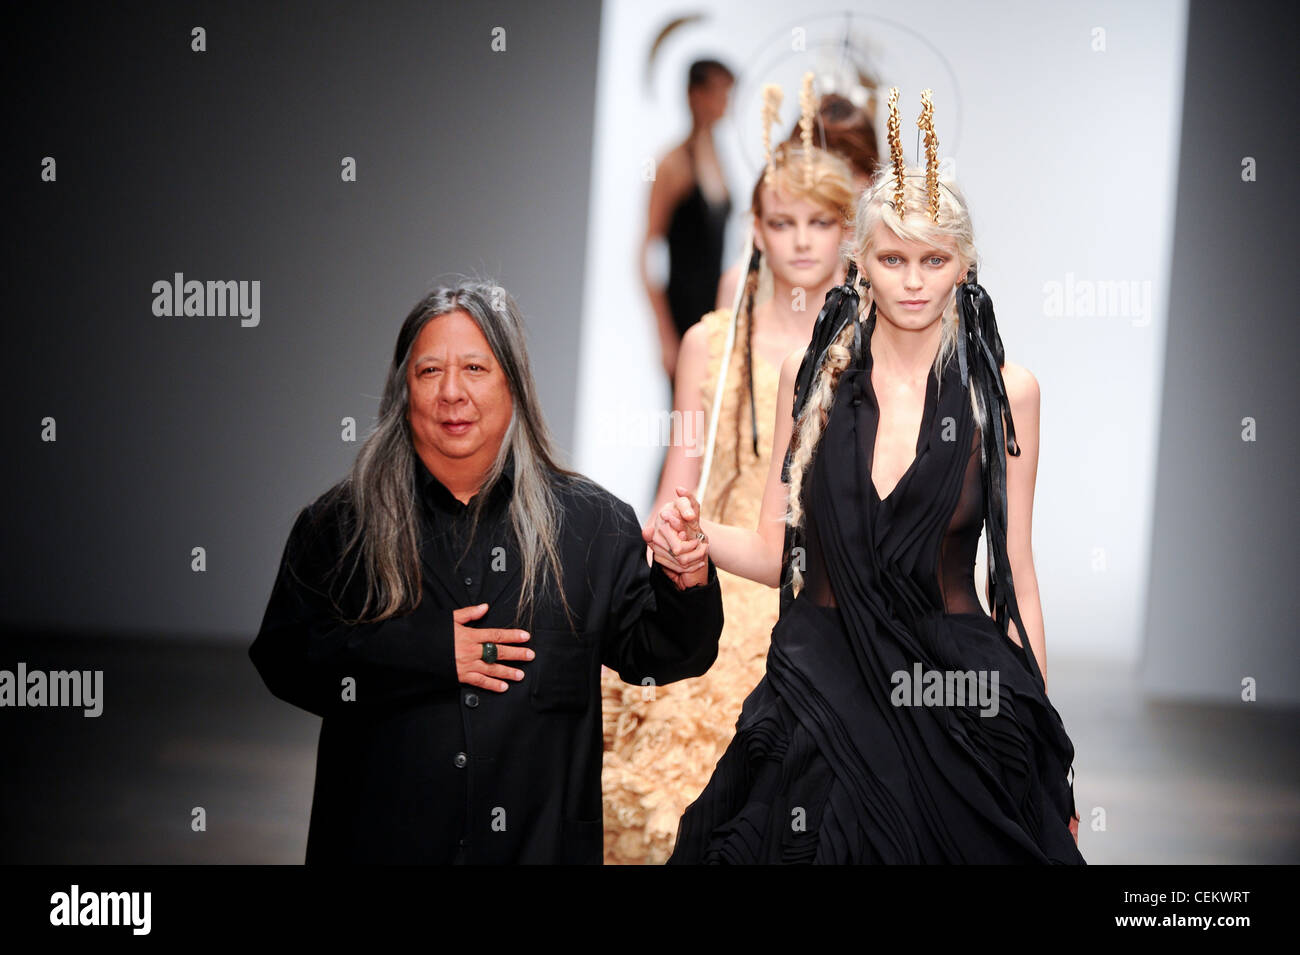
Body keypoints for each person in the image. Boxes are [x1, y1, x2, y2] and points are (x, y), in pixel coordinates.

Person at [651, 89, 1084, 863]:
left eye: (933, 260)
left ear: (964, 266)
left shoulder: (1006, 394)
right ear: (861, 265)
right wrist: (695, 533)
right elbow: (773, 550)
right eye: (893, 259)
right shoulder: (810, 377)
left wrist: (1043, 746)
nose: (913, 281)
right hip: (820, 683)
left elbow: (1014, 575)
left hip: (954, 693)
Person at [248, 280, 724, 864]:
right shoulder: (342, 525)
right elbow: (286, 659)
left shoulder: (592, 524)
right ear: (403, 390)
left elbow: (664, 654)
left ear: (514, 384)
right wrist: (426, 652)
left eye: (475, 368)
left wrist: (686, 581)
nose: (452, 393)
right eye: (429, 371)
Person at [601, 78, 857, 865]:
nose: (801, 241)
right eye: (782, 222)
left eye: (820, 222)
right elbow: (680, 474)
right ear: (755, 228)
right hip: (714, 565)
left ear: (848, 231)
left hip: (818, 586)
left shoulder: (868, 351)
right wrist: (660, 550)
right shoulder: (709, 343)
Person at [642, 58, 734, 381]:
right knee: (686, 405)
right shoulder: (674, 165)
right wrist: (664, 333)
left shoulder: (717, 155)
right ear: (695, 94)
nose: (725, 101)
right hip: (683, 311)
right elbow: (648, 252)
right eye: (718, 91)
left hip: (713, 313)